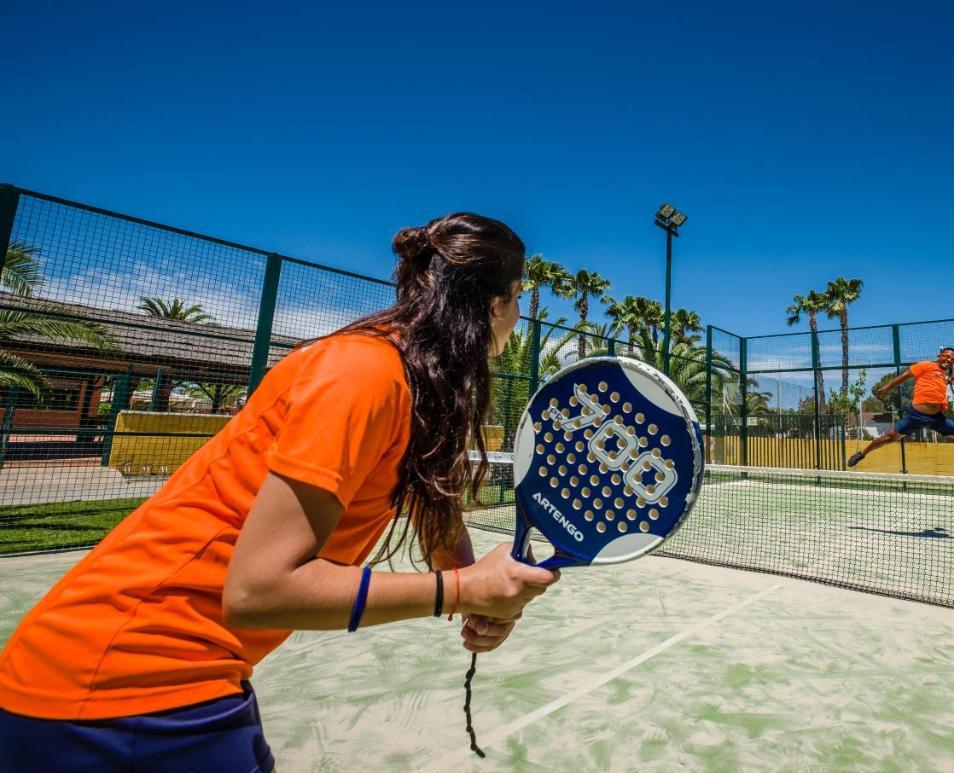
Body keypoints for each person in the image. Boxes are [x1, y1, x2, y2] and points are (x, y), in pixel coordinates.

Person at [0, 213, 559, 771]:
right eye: (517, 301)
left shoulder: (413, 384)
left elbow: (439, 528)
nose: (515, 321)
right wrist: (462, 590)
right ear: (494, 304)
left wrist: (483, 591)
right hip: (123, 680)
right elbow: (261, 590)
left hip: (166, 680)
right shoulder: (365, 373)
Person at [846, 347, 954, 477]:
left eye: (952, 359)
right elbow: (904, 376)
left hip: (936, 418)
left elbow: (938, 383)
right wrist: (885, 388)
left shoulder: (943, 376)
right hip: (916, 415)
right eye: (946, 356)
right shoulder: (925, 365)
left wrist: (948, 380)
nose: (949, 360)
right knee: (888, 438)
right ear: (939, 356)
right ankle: (862, 454)